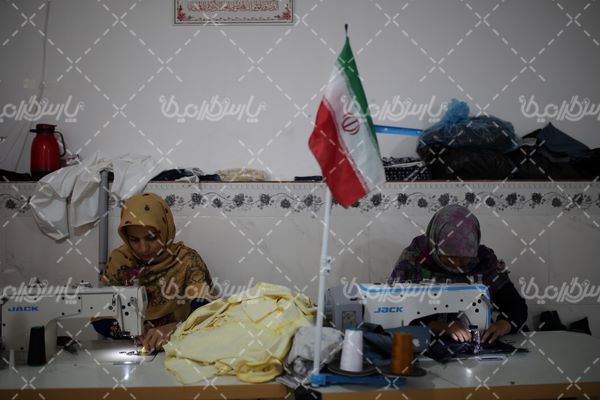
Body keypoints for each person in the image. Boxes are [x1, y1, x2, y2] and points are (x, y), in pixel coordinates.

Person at [389, 204, 527, 344]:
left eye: (463, 258)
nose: (456, 264)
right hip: (422, 344)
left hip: (475, 341)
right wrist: (439, 327)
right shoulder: (414, 260)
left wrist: (504, 324)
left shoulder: (484, 262)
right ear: (435, 244)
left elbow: (516, 307)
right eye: (449, 256)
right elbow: (395, 313)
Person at [93, 192, 213, 352]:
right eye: (134, 240)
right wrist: (132, 331)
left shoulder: (187, 261)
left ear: (165, 229)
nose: (143, 248)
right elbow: (100, 318)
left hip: (182, 346)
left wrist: (176, 328)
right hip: (133, 346)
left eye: (151, 238)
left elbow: (206, 313)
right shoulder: (120, 260)